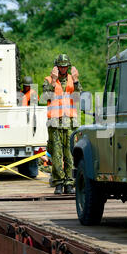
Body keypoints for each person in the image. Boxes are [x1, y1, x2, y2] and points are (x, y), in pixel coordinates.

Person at [42, 54, 82, 194]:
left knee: (70, 154)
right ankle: (59, 183)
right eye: (60, 66)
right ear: (56, 67)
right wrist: (53, 82)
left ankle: (69, 183)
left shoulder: (72, 80)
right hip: (55, 122)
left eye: (65, 66)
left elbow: (78, 98)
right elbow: (45, 97)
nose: (63, 69)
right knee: (57, 154)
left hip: (70, 122)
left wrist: (76, 80)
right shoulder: (48, 80)